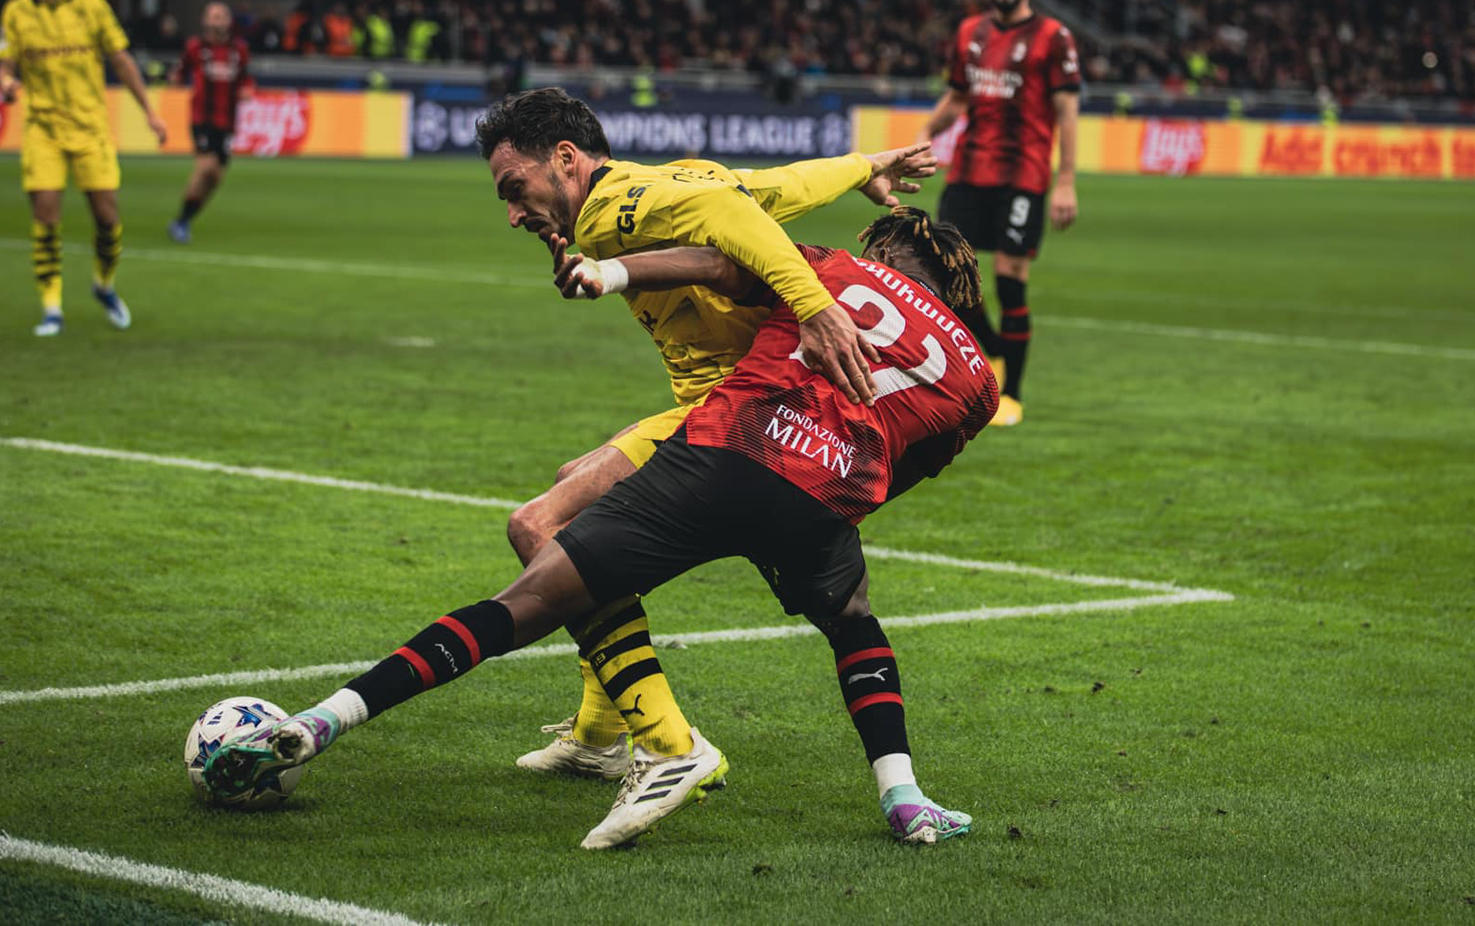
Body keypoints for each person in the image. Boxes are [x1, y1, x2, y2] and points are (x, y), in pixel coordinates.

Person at [203, 207, 998, 850]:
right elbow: (905, 466)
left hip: (724, 452)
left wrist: (612, 271)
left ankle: (323, 721)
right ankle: (904, 798)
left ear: (889, 248)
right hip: (827, 495)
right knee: (852, 616)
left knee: (530, 592)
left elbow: (722, 262)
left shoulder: (834, 269)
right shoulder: (977, 380)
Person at [473, 88, 935, 784]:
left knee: (538, 525)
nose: (512, 214)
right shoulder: (673, 177)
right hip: (755, 411)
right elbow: (769, 188)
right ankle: (599, 732)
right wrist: (861, 165)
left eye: (516, 188)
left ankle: (667, 743)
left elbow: (730, 212)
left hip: (736, 418)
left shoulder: (610, 207)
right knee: (579, 489)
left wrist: (813, 304)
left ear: (566, 159)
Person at [920, 0, 1082, 427]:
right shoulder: (970, 32)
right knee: (948, 272)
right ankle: (992, 352)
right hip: (969, 170)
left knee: (1010, 281)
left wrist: (1066, 181)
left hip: (1024, 175)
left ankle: (1011, 394)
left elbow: (1067, 113)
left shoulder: (1054, 38)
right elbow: (956, 99)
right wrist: (923, 136)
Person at [0, 0, 168, 337]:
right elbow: (4, 66)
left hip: (91, 128)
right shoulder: (16, 12)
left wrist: (150, 113)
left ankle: (103, 284)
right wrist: (4, 83)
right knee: (46, 217)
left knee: (107, 218)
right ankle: (51, 306)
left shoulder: (92, 7)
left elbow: (121, 60)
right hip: (43, 129)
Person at [168, 2, 255, 243]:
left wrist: (248, 90)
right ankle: (182, 223)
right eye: (212, 17)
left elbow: (246, 78)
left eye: (221, 17)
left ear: (228, 21)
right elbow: (180, 71)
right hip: (202, 118)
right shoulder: (195, 47)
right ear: (205, 21)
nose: (217, 21)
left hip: (227, 121)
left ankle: (184, 218)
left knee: (215, 177)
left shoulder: (239, 50)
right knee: (205, 167)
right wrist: (173, 78)